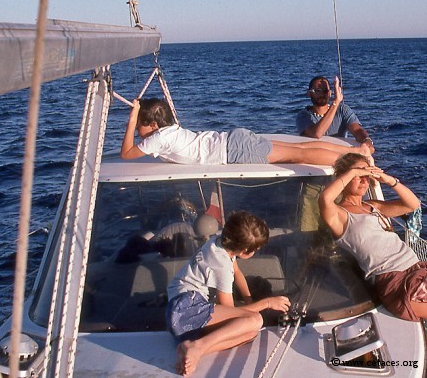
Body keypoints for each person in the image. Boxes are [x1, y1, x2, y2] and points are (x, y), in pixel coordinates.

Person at [166, 211, 291, 376]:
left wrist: (248, 300)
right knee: (255, 320)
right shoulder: (221, 267)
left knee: (250, 333)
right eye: (257, 249)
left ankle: (192, 347)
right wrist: (267, 303)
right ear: (245, 250)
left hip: (182, 312)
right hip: (186, 309)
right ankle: (198, 347)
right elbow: (230, 311)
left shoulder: (218, 244)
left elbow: (237, 273)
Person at [318, 153, 426, 321]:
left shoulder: (373, 206)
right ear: (345, 177)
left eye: (366, 176)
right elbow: (325, 199)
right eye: (358, 176)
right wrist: (353, 172)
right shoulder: (339, 215)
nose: (364, 180)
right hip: (396, 281)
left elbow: (412, 205)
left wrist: (389, 180)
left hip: (417, 268)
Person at [121, 98, 372, 167]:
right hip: (233, 140)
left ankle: (354, 156)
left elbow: (127, 154)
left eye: (141, 125)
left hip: (233, 149)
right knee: (301, 149)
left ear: (152, 124)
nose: (138, 131)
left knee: (300, 155)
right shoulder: (169, 132)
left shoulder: (159, 137)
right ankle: (355, 151)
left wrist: (132, 119)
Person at [296, 75, 374, 153]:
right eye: (318, 90)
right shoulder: (303, 116)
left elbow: (357, 130)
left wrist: (367, 141)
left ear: (330, 93)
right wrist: (336, 102)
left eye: (325, 91)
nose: (322, 94)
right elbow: (317, 133)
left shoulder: (342, 110)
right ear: (309, 93)